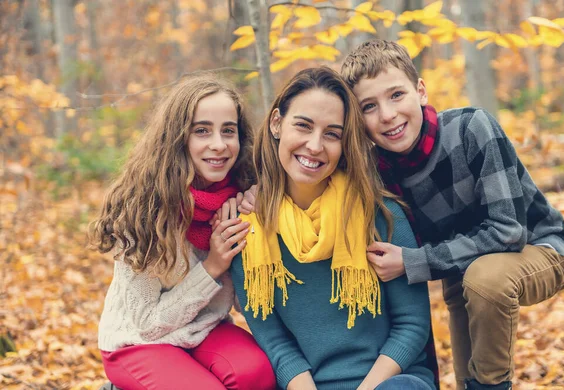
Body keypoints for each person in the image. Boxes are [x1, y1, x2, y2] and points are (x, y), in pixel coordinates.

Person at [337, 39, 564, 390]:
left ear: (420, 91)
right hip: (459, 277)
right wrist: (252, 192)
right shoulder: (374, 171)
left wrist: (413, 262)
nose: (387, 115)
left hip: (541, 250)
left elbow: (509, 231)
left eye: (396, 95)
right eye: (369, 107)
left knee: (485, 293)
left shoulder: (470, 128)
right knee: (467, 379)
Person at [229, 67, 435, 390]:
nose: (314, 146)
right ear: (276, 124)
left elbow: (412, 325)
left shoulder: (379, 215)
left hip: (390, 383)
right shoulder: (249, 232)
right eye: (303, 126)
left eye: (331, 134)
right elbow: (275, 343)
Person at [89, 76, 276, 390]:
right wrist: (214, 266)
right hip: (137, 342)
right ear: (178, 137)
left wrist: (264, 224)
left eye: (228, 130)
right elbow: (147, 325)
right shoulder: (144, 208)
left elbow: (250, 304)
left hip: (204, 330)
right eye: (201, 130)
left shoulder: (242, 193)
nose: (219, 144)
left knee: (258, 376)